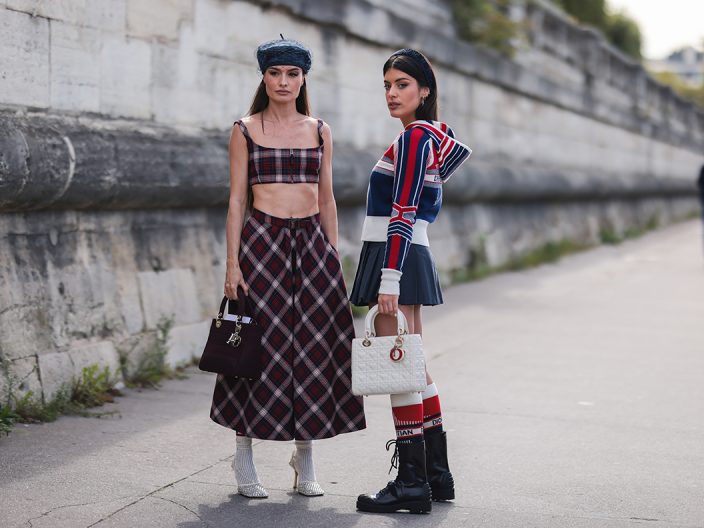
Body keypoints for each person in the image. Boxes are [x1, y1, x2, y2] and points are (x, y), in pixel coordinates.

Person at [210, 37, 366, 499]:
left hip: (312, 248)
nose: (283, 82)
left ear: (303, 79)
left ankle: (306, 455)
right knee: (257, 352)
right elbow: (236, 200)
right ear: (263, 76)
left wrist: (332, 256)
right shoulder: (244, 129)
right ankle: (244, 453)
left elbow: (328, 198)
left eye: (292, 74)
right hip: (262, 245)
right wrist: (231, 263)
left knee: (315, 352)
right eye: (275, 73)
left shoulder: (320, 130)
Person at [349, 48, 471, 513]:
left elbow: (403, 209)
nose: (392, 93)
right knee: (414, 366)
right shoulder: (426, 136)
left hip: (395, 255)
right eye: (387, 85)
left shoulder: (417, 138)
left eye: (403, 84)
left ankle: (412, 482)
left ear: (425, 91)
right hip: (405, 251)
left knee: (401, 366)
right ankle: (436, 477)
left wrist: (390, 278)